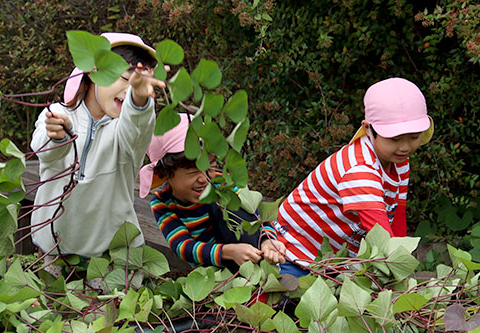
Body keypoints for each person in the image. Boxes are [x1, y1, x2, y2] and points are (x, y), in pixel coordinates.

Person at [30, 32, 166, 270]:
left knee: (107, 309)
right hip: (53, 248)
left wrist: (141, 102)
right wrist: (57, 136)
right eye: (125, 78)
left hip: (112, 258)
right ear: (94, 71)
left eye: (138, 84)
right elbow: (46, 153)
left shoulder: (126, 128)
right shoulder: (57, 114)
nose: (129, 90)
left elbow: (137, 131)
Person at [274, 77, 434, 277]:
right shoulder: (359, 170)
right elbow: (381, 236)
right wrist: (399, 275)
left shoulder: (398, 160)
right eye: (394, 139)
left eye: (414, 137)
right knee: (287, 299)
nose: (405, 147)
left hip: (336, 252)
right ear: (368, 128)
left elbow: (397, 213)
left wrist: (402, 262)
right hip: (298, 247)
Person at [139, 114, 286, 271]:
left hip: (252, 254)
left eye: (210, 166)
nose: (203, 178)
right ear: (166, 173)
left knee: (231, 200)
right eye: (192, 171)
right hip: (213, 270)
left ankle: (264, 263)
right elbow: (183, 246)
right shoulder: (163, 203)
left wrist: (267, 240)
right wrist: (227, 252)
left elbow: (256, 216)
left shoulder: (221, 181)